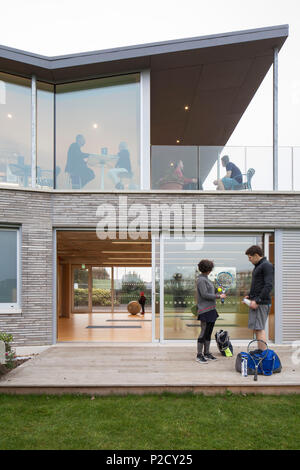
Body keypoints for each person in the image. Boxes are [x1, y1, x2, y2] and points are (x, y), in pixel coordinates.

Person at [196, 259, 226, 364]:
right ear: (208, 269)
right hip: (204, 310)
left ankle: (207, 353)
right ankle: (199, 355)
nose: (211, 270)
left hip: (211, 310)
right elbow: (204, 295)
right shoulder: (201, 280)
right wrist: (219, 296)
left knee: (208, 332)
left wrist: (218, 289)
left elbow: (210, 291)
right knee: (203, 332)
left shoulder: (207, 279)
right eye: (210, 269)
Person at [245, 245, 274, 350]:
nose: (249, 260)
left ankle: (264, 355)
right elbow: (258, 284)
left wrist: (257, 300)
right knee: (257, 328)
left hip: (261, 303)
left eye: (250, 257)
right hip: (256, 301)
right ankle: (260, 351)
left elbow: (268, 285)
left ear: (256, 255)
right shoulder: (258, 266)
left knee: (260, 328)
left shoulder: (266, 265)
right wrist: (250, 295)